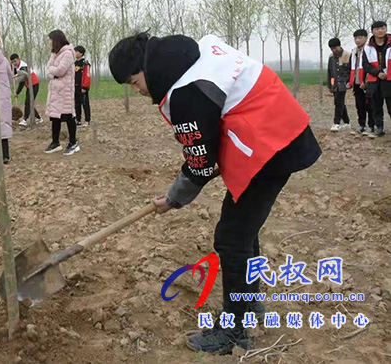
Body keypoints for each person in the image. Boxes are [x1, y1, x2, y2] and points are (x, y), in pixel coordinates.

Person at [109, 33, 321, 355]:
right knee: (242, 231)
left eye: (134, 81)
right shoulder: (194, 53)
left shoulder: (186, 93)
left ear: (146, 67)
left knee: (232, 237)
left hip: (271, 146)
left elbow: (202, 163)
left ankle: (234, 331)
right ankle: (248, 304)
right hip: (277, 130)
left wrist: (173, 198)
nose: (137, 91)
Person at [44, 30, 80, 155]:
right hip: (55, 90)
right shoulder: (55, 54)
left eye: (51, 40)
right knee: (55, 117)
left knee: (68, 116)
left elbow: (60, 71)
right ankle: (55, 142)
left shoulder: (68, 53)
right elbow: (47, 70)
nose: (50, 43)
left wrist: (52, 71)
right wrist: (52, 72)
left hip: (64, 90)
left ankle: (73, 143)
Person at [362, 20, 391, 137]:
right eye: (377, 29)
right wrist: (377, 73)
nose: (380, 31)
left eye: (382, 28)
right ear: (372, 31)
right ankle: (379, 128)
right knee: (376, 105)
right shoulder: (368, 48)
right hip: (374, 80)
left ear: (386, 29)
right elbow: (366, 65)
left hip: (389, 80)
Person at [348, 29, 375, 135]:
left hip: (367, 82)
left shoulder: (370, 50)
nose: (357, 40)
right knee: (359, 105)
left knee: (369, 105)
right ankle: (362, 125)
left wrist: (366, 81)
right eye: (355, 38)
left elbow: (371, 66)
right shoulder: (354, 51)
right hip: (357, 82)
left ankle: (372, 126)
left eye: (359, 38)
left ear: (365, 37)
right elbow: (351, 67)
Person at [10, 53, 41, 126]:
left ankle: (25, 119)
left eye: (15, 61)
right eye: (12, 62)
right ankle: (39, 118)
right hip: (29, 86)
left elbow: (22, 82)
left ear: (18, 59)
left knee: (28, 103)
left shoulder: (23, 67)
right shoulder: (17, 67)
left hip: (34, 84)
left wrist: (17, 92)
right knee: (29, 103)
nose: (14, 63)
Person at [326, 38, 351, 132]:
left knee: (338, 103)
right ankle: (347, 122)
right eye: (332, 48)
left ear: (339, 46)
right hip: (335, 84)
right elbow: (330, 72)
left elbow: (350, 70)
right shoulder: (331, 57)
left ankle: (336, 123)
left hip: (343, 83)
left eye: (335, 48)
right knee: (340, 103)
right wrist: (330, 85)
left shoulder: (347, 55)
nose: (334, 50)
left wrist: (348, 81)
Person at [74, 46, 92, 127]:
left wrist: (85, 87)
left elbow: (87, 75)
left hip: (82, 88)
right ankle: (78, 120)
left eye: (76, 51)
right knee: (77, 104)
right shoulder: (74, 63)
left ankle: (87, 120)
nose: (75, 53)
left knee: (85, 104)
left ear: (81, 53)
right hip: (75, 87)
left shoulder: (85, 63)